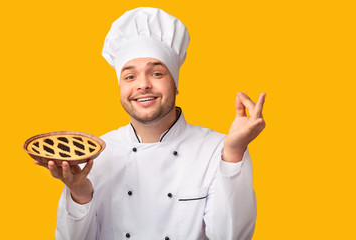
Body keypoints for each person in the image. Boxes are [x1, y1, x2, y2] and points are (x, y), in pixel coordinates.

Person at [34, 7, 266, 240]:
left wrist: (235, 152)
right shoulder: (97, 154)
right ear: (120, 88)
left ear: (175, 84)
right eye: (130, 76)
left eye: (156, 73)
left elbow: (232, 236)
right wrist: (79, 193)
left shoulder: (218, 150)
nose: (143, 85)